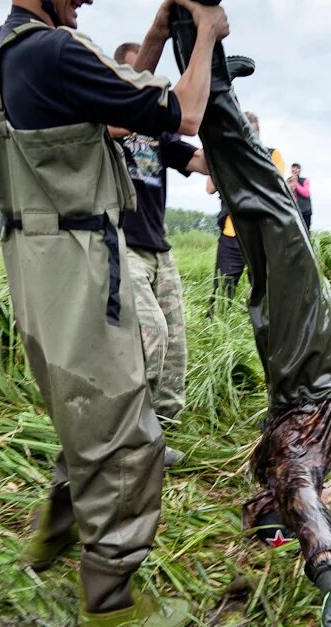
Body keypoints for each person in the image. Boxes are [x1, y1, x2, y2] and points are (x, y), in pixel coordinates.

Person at [0, 0, 228, 623]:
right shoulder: (55, 50)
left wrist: (162, 21)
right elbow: (183, 112)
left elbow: (117, 96)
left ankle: (50, 540)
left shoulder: (0, 54)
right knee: (127, 431)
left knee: (82, 410)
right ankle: (110, 599)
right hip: (82, 258)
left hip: (32, 258)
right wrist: (206, 34)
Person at [160, 0, 331, 624]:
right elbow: (293, 498)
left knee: (266, 206)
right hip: (294, 357)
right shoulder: (279, 460)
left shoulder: (293, 460)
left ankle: (203, 43)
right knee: (259, 205)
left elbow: (306, 501)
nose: (283, 499)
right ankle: (210, 69)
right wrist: (278, 527)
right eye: (268, 509)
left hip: (304, 363)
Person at [110, 41, 211, 466]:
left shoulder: (157, 132)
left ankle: (161, 429)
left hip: (159, 248)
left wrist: (234, 138)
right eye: (136, 77)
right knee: (151, 334)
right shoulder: (107, 124)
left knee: (176, 345)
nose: (145, 87)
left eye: (148, 80)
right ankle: (129, 437)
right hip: (121, 244)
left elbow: (200, 162)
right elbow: (112, 123)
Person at [206, 110, 284, 314]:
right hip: (231, 234)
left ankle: (266, 332)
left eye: (251, 133)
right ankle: (216, 331)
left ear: (258, 134)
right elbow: (210, 187)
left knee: (265, 290)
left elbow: (276, 187)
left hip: (261, 234)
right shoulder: (226, 154)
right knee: (222, 291)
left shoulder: (272, 154)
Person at [288, 162, 312, 232]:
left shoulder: (305, 180)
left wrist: (296, 184)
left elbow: (306, 193)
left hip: (306, 211)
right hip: (294, 211)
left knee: (306, 231)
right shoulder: (289, 180)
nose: (294, 172)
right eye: (293, 170)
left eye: (296, 170)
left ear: (299, 170)